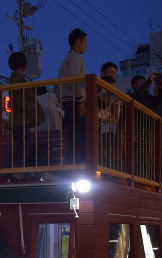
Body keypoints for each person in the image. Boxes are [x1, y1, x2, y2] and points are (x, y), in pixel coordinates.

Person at [8, 51, 44, 173]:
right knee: (24, 144)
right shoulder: (17, 79)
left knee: (23, 144)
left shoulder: (16, 78)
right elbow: (19, 97)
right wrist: (31, 106)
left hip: (20, 118)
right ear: (24, 63)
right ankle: (18, 170)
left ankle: (18, 170)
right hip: (21, 118)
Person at [56, 28, 88, 163]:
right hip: (74, 102)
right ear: (78, 42)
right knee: (78, 137)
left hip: (67, 102)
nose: (86, 45)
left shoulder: (67, 59)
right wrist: (81, 101)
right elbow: (77, 80)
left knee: (70, 136)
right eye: (85, 42)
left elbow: (58, 85)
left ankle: (71, 165)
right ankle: (78, 165)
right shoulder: (76, 57)